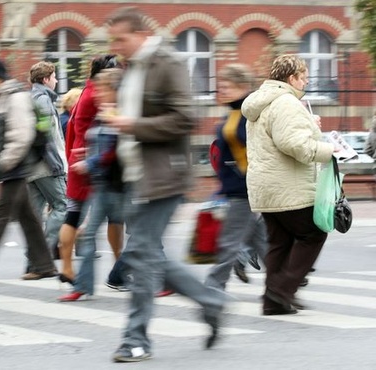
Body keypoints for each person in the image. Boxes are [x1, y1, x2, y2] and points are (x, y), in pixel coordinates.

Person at [104, 7, 227, 362]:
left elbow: (186, 117)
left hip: (164, 175)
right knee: (147, 255)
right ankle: (211, 300)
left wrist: (132, 125)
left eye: (121, 39)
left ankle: (136, 339)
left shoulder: (167, 63)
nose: (116, 46)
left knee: (142, 253)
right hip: (136, 175)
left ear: (141, 34)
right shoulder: (132, 68)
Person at [241, 54, 334, 315]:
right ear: (291, 78)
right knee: (313, 234)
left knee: (279, 242)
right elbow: (294, 145)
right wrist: (330, 149)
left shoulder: (262, 101)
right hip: (288, 186)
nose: (306, 82)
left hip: (266, 188)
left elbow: (279, 135)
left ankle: (273, 303)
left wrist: (310, 125)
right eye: (303, 77)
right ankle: (281, 290)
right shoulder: (286, 102)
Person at [0, 59, 56, 280]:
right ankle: (45, 265)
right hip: (11, 166)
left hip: (16, 166)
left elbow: (21, 135)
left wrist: (5, 163)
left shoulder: (15, 97)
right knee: (29, 218)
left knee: (0, 218)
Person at [59, 68, 127, 302]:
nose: (97, 94)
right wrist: (86, 154)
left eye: (103, 89)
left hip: (120, 186)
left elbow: (115, 150)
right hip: (103, 185)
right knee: (86, 234)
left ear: (115, 90)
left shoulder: (120, 114)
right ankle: (83, 286)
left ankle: (147, 277)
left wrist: (90, 162)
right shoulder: (104, 113)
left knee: (143, 237)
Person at [203, 64, 268, 291]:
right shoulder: (233, 111)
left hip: (245, 186)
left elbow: (252, 146)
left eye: (227, 86)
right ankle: (286, 283)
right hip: (238, 185)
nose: (222, 90)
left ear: (242, 86)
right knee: (261, 241)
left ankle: (213, 287)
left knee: (229, 241)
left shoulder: (247, 113)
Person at [26, 61, 68, 261]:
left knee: (34, 215)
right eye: (54, 76)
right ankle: (43, 255)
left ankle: (33, 258)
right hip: (47, 166)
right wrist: (55, 162)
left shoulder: (30, 97)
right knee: (62, 206)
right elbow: (44, 134)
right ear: (45, 79)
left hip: (32, 167)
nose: (57, 80)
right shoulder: (42, 100)